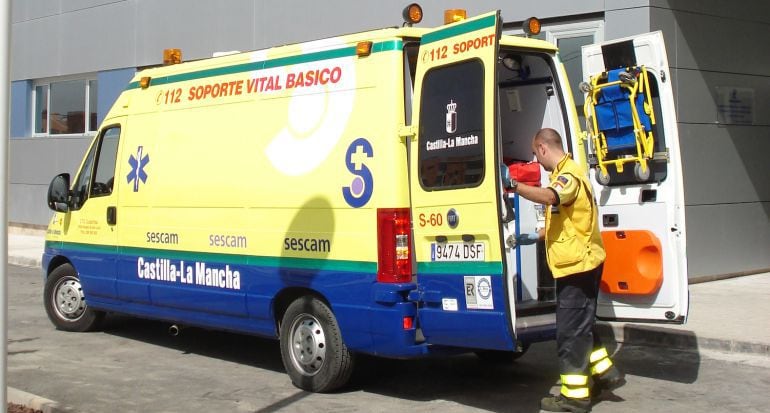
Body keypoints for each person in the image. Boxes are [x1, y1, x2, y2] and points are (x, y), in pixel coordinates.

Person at [503, 128, 624, 413]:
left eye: (535, 153)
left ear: (543, 148)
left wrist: (514, 185)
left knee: (570, 333)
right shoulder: (568, 172)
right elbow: (568, 220)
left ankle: (574, 398)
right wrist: (537, 236)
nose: (536, 158)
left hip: (578, 266)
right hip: (578, 263)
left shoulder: (567, 176)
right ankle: (606, 374)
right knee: (581, 325)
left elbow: (550, 198)